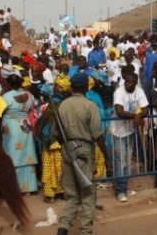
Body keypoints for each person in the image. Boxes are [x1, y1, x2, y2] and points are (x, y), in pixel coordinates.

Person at [53, 73, 110, 235]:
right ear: (85, 86)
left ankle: (63, 229)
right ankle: (85, 232)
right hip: (84, 150)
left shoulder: (62, 105)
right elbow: (97, 135)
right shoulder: (90, 105)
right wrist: (106, 157)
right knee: (87, 196)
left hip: (67, 152)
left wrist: (67, 145)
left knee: (72, 196)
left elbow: (56, 133)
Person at [110, 73, 148, 202]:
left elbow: (146, 109)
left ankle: (124, 187)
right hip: (118, 131)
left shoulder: (139, 91)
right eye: (126, 81)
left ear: (135, 83)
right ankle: (120, 190)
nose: (128, 84)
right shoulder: (119, 92)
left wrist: (138, 116)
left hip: (129, 130)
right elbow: (119, 112)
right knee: (119, 161)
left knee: (127, 161)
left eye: (131, 82)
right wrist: (136, 116)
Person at [1, 74, 38, 193]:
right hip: (25, 125)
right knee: (27, 153)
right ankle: (30, 187)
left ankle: (16, 188)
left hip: (12, 127)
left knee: (12, 154)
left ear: (9, 84)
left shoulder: (6, 96)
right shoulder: (29, 95)